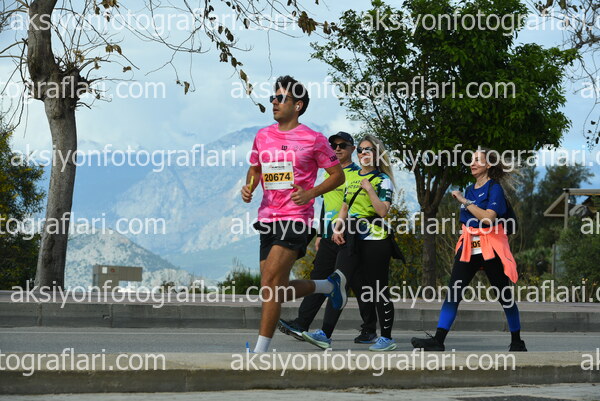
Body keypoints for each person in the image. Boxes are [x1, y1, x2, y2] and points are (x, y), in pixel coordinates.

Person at [241, 76, 347, 353]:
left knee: (269, 282)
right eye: (273, 98)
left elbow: (338, 176)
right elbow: (255, 168)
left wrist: (311, 193)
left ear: (298, 105)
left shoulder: (314, 139)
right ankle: (327, 286)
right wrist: (250, 187)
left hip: (297, 218)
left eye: (281, 98)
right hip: (268, 218)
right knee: (273, 289)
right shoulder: (263, 135)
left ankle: (259, 353)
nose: (274, 103)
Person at [411, 149, 527, 352]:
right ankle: (438, 340)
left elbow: (488, 218)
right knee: (453, 293)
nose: (472, 163)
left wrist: (465, 201)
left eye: (477, 160)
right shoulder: (469, 189)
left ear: (488, 165)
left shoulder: (494, 189)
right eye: (471, 160)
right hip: (469, 247)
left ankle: (517, 341)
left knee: (504, 296)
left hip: (491, 247)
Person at [277, 132, 379, 345]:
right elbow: (326, 204)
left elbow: (355, 205)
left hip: (349, 235)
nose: (337, 148)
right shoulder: (329, 174)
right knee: (319, 278)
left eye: (343, 145)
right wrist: (321, 233)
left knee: (354, 284)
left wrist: (346, 228)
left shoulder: (356, 174)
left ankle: (368, 329)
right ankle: (301, 323)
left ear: (352, 149)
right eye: (333, 145)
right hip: (328, 235)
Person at [302, 135, 399, 352]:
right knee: (337, 283)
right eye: (361, 150)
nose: (363, 153)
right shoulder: (351, 176)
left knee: (378, 289)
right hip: (351, 237)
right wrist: (338, 228)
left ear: (377, 154)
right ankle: (325, 334)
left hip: (375, 239)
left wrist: (370, 189)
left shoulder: (382, 179)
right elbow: (345, 207)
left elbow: (382, 211)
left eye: (368, 150)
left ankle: (386, 338)